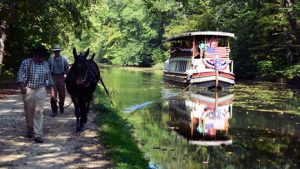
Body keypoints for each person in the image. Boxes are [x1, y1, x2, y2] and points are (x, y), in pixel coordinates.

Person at [16, 45, 55, 143]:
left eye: (43, 56)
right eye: (40, 56)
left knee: (38, 112)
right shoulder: (26, 62)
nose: (42, 58)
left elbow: (49, 78)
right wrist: (22, 86)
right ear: (35, 55)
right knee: (29, 111)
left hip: (41, 90)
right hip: (28, 89)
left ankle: (38, 134)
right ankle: (30, 128)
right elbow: (20, 74)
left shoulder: (45, 64)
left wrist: (52, 93)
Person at [48, 44, 69, 116]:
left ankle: (61, 105)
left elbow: (67, 68)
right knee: (53, 96)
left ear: (59, 51)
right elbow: (48, 69)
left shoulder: (64, 59)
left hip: (61, 77)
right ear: (54, 52)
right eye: (55, 51)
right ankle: (54, 111)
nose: (56, 52)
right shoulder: (50, 60)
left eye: (58, 51)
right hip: (53, 77)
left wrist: (66, 75)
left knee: (62, 95)